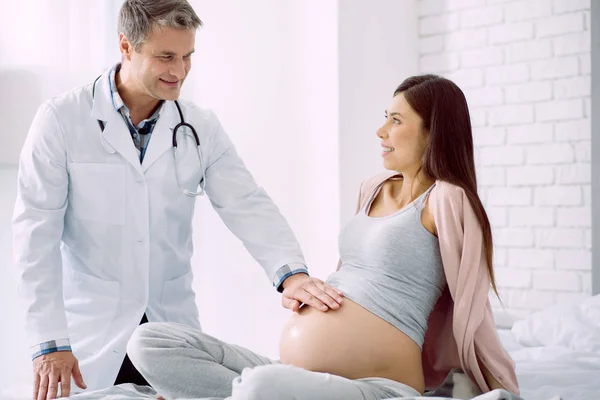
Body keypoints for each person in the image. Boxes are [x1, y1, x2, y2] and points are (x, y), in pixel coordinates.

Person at [12, 1, 343, 399]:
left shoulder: (198, 127)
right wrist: (50, 343)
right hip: (89, 336)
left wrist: (292, 275)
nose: (179, 71)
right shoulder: (62, 120)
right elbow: (35, 238)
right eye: (165, 56)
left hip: (171, 330)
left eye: (188, 56)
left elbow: (247, 203)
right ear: (125, 45)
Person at [126, 75, 521, 400]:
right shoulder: (372, 187)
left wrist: (500, 386)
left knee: (260, 388)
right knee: (146, 341)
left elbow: (472, 304)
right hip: (300, 378)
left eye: (397, 121)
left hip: (379, 388)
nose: (381, 130)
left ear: (433, 130)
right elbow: (350, 276)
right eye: (386, 117)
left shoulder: (448, 199)